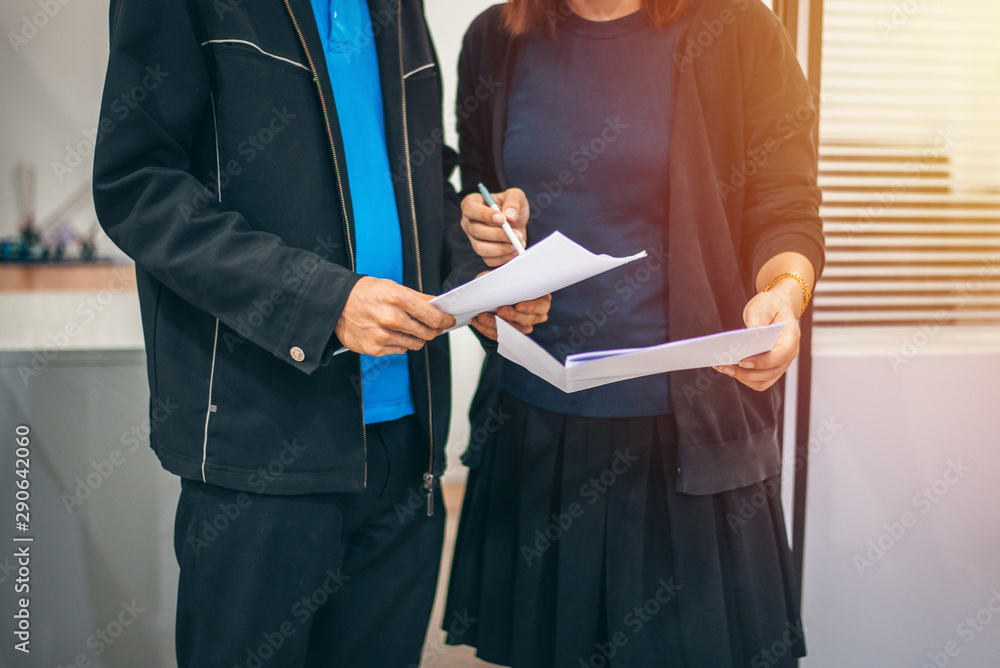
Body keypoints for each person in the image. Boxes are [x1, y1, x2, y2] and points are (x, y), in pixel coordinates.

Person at [92, 0, 547, 665]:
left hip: (405, 445)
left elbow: (417, 180)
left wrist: (478, 273)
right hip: (262, 443)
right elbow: (138, 185)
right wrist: (323, 301)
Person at [444, 0, 825, 666]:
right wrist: (482, 232)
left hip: (689, 433)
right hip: (538, 427)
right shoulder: (496, 38)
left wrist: (783, 294)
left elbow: (786, 202)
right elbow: (476, 194)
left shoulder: (737, 28)